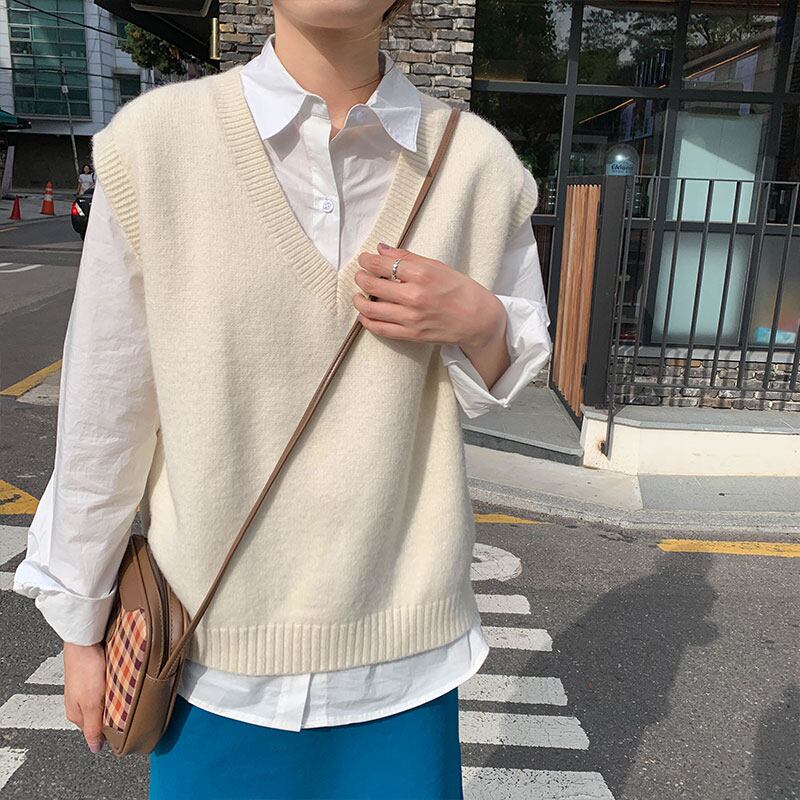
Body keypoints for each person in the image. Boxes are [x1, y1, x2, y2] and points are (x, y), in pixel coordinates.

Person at [13, 1, 552, 797]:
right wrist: (80, 628)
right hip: (209, 660)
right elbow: (107, 409)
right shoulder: (156, 144)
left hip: (402, 659)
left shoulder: (475, 162)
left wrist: (479, 320)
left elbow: (506, 373)